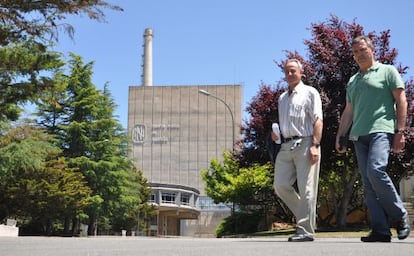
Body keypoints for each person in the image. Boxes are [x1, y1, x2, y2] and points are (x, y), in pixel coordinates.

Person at [335, 35, 410, 242]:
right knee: (368, 184)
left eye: (362, 50)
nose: (359, 55)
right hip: (359, 135)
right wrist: (340, 135)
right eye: (355, 52)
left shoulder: (388, 71)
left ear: (372, 49)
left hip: (381, 130)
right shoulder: (353, 80)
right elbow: (349, 110)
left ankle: (400, 216)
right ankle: (381, 230)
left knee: (376, 171)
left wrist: (400, 132)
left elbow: (401, 101)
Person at [272, 59, 323, 242]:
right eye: (287, 71)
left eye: (293, 71)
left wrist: (315, 145)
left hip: (306, 142)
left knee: (307, 189)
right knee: (280, 185)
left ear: (301, 73)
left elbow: (318, 120)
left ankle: (305, 231)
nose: (290, 74)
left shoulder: (310, 92)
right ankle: (308, 216)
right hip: (286, 145)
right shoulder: (282, 98)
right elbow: (286, 124)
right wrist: (276, 135)